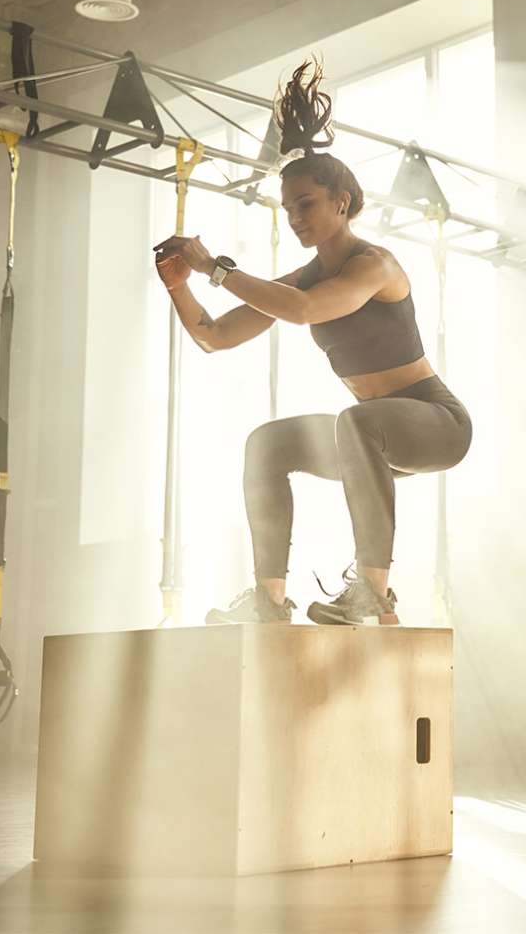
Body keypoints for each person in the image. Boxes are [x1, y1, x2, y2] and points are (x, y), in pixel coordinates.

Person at [154, 59, 472, 627]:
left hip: (435, 423)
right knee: (267, 444)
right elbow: (215, 336)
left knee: (355, 419)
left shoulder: (375, 265)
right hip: (371, 438)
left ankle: (374, 592)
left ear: (341, 203)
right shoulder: (301, 277)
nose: (296, 217)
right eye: (289, 208)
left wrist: (215, 268)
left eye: (306, 204)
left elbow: (303, 312)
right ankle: (269, 603)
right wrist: (180, 287)